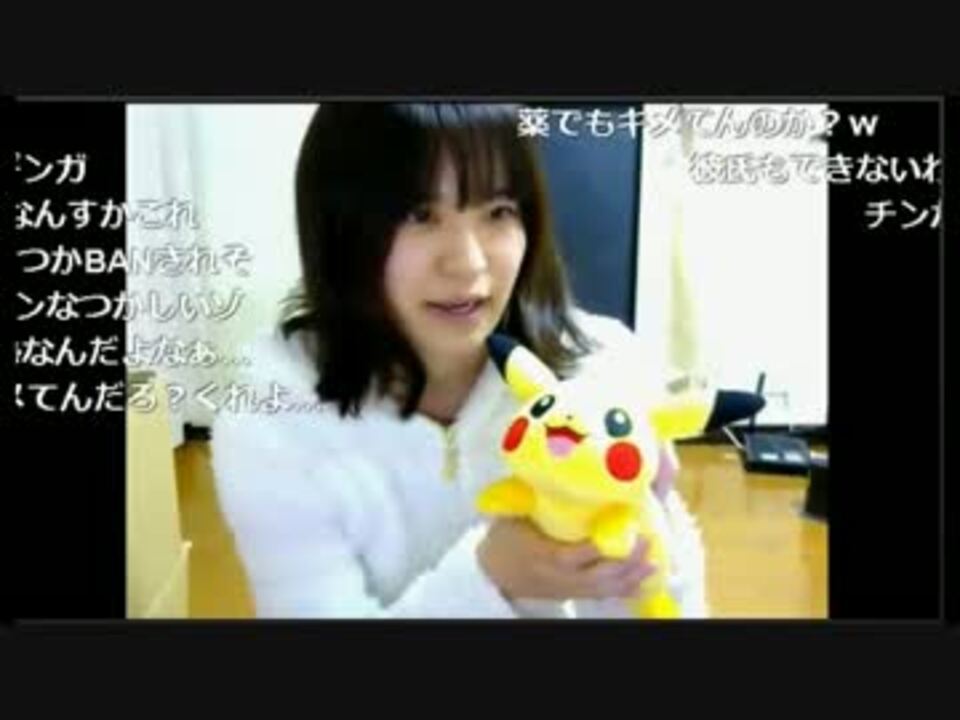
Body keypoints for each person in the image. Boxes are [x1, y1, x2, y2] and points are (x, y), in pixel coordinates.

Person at [210, 102, 709, 619]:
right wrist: (490, 578)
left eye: (498, 212)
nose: (468, 263)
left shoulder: (604, 371)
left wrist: (648, 535)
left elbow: (669, 607)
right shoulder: (272, 418)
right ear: (340, 228)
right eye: (420, 216)